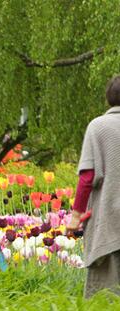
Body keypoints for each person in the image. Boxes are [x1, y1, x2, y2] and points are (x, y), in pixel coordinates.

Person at [67, 75, 120, 298]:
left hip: (109, 218)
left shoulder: (98, 127)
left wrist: (75, 216)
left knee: (106, 298)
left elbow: (87, 177)